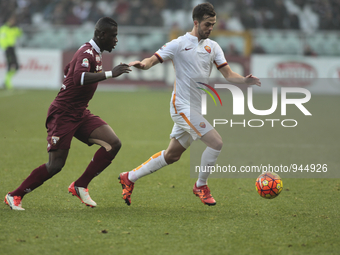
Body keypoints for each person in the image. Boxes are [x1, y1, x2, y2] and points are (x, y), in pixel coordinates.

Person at [118, 2, 261, 206]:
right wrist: (143, 64)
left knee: (172, 155)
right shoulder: (179, 44)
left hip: (195, 108)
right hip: (181, 106)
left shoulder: (214, 46)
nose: (211, 28)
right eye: (207, 24)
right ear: (196, 22)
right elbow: (153, 59)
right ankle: (201, 185)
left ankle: (129, 177)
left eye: (213, 24)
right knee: (216, 142)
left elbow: (228, 74)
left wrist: (245, 80)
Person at [4, 17, 132, 210]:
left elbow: (68, 70)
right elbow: (79, 77)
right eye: (113, 36)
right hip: (63, 114)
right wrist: (110, 74)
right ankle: (14, 195)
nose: (116, 40)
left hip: (80, 113)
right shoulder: (87, 52)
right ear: (101, 34)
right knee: (55, 165)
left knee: (113, 144)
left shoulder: (94, 53)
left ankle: (80, 185)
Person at [0, 14, 22, 90]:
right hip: (7, 48)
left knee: (16, 66)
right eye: (12, 20)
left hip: (12, 48)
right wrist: (5, 47)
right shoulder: (4, 28)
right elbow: (1, 39)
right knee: (10, 65)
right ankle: (8, 82)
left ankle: (6, 81)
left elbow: (20, 34)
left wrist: (18, 28)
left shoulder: (14, 29)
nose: (13, 22)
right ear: (8, 20)